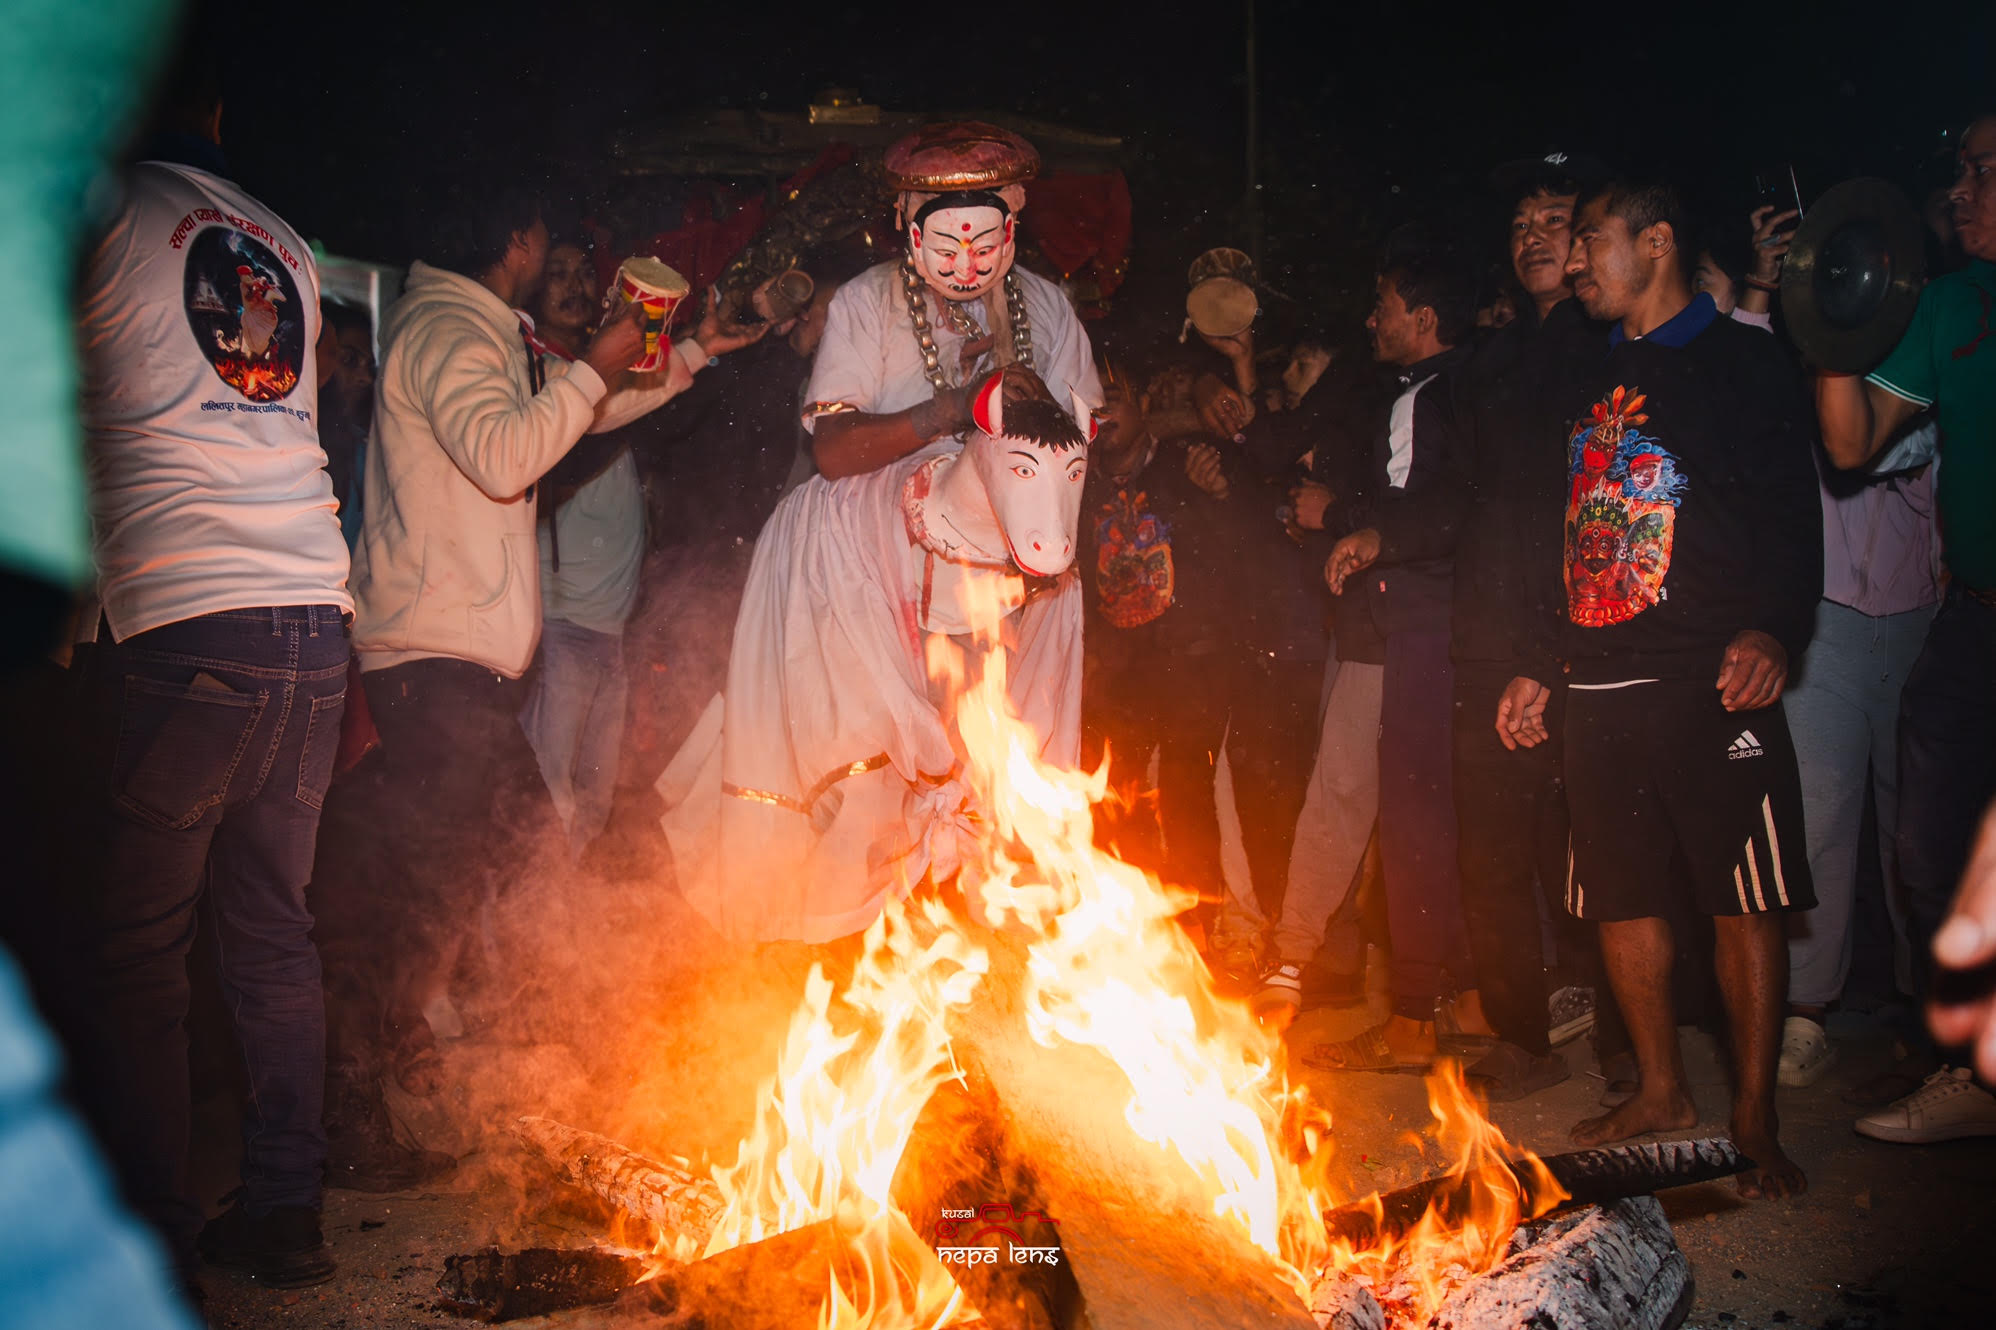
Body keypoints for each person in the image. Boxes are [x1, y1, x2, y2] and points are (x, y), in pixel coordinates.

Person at [309, 179, 712, 1164]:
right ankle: (357, 1112)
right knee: (442, 887)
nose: (553, 254)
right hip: (435, 665)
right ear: (518, 237)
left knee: (490, 876)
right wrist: (600, 361)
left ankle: (481, 1084)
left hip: (461, 669)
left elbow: (562, 422)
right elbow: (503, 454)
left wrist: (692, 353)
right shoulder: (449, 326)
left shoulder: (478, 326)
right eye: (547, 235)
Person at [66, 58, 353, 1285]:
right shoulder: (281, 241)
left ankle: (149, 1242)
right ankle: (286, 1212)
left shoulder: (100, 216)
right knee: (273, 936)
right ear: (221, 115)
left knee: (138, 953)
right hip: (315, 613)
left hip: (192, 619)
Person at [1504, 179, 1820, 1199]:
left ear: (1658, 241)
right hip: (1596, 676)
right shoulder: (1582, 367)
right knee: (1620, 897)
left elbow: (1788, 511)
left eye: (1591, 238)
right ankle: (1658, 1092)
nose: (1578, 256)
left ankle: (1753, 1118)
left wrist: (1775, 626)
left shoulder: (1742, 361)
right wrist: (1540, 659)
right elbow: (1556, 524)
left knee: (1745, 897)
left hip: (1706, 673)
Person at [1319, 152, 1612, 1099]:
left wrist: (1370, 527)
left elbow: (1510, 502)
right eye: (1521, 222)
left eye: (1557, 222)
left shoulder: (1601, 352)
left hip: (1549, 627)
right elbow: (1480, 497)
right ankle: (1497, 1015)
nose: (1533, 237)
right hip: (1494, 626)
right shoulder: (1508, 359)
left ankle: (1460, 1021)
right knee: (1481, 832)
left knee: (1545, 838)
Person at [1815, 114, 1996, 1143]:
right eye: (1957, 173)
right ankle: (1965, 1074)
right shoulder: (1949, 305)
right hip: (1969, 623)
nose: (1957, 193)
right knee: (1928, 850)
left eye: (1979, 172)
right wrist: (1829, 315)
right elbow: (1848, 444)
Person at [1311, 245, 1493, 1071]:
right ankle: (1461, 1005)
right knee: (1434, 813)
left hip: (1429, 620)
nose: (1372, 319)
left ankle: (1419, 1018)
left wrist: (1372, 531)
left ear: (1423, 317)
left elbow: (1447, 506)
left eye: (1384, 304)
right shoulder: (1438, 389)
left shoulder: (1441, 391)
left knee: (1416, 816)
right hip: (1431, 617)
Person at [802, 121, 1099, 481]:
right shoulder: (868, 299)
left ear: (1009, 233)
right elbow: (833, 454)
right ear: (914, 236)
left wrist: (1042, 413)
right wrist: (955, 407)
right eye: (944, 250)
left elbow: (1083, 453)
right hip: (875, 526)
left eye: (985, 249)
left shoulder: (1048, 306)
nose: (965, 269)